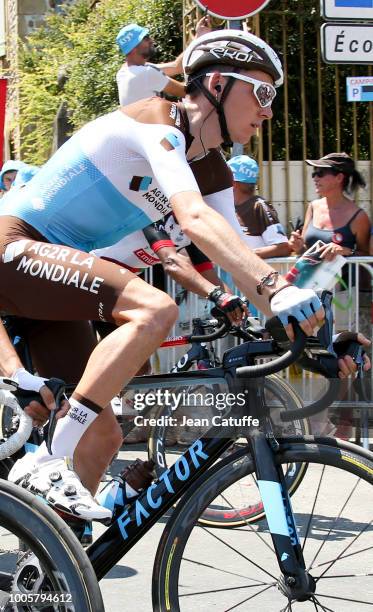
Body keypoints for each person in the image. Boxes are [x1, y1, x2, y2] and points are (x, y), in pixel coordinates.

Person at [0, 29, 352, 523]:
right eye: (263, 93)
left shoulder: (214, 171)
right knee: (155, 309)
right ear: (216, 85)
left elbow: (241, 261)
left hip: (53, 279)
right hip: (12, 245)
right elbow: (195, 223)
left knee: (103, 436)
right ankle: (46, 457)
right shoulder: (158, 124)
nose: (269, 111)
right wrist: (276, 290)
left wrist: (315, 334)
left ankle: (51, 563)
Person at [289, 153, 370, 260]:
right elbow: (305, 250)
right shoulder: (313, 207)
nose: (315, 178)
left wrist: (345, 251)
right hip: (311, 276)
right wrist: (298, 247)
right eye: (314, 173)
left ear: (339, 178)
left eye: (320, 173)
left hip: (343, 276)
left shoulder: (358, 217)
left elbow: (366, 256)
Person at [116, 17, 211, 105]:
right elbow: (188, 91)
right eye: (145, 38)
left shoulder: (124, 72)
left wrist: (197, 38)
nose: (151, 40)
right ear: (133, 49)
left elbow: (176, 67)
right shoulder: (146, 73)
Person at [227, 155, 291, 258]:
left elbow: (283, 247)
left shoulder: (259, 206)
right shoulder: (227, 207)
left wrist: (243, 256)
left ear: (233, 183)